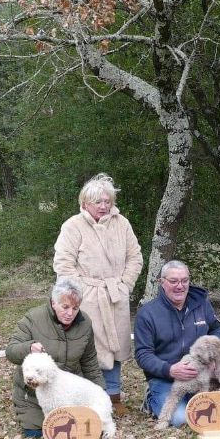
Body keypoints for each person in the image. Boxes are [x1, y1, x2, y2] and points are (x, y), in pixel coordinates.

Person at [53, 173, 143, 416]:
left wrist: (125, 284)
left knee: (115, 348)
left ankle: (113, 396)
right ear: (85, 203)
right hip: (86, 298)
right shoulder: (72, 226)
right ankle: (87, 398)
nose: (104, 206)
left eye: (107, 201)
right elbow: (63, 264)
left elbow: (135, 256)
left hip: (115, 294)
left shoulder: (122, 224)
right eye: (98, 202)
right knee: (88, 348)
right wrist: (79, 295)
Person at [5, 277, 106, 438]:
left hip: (70, 394)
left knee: (88, 431)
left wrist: (101, 394)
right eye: (65, 307)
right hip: (34, 394)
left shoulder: (85, 323)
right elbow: (10, 351)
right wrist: (28, 348)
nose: (70, 313)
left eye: (75, 308)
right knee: (37, 432)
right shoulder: (33, 318)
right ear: (53, 303)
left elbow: (89, 362)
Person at [134, 261, 220, 427]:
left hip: (201, 374)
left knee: (215, 414)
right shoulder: (147, 313)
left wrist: (214, 356)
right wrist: (169, 370)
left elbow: (219, 330)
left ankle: (191, 397)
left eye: (184, 281)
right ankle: (151, 398)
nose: (180, 286)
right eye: (173, 281)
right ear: (162, 282)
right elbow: (143, 354)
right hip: (165, 378)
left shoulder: (202, 305)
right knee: (181, 419)